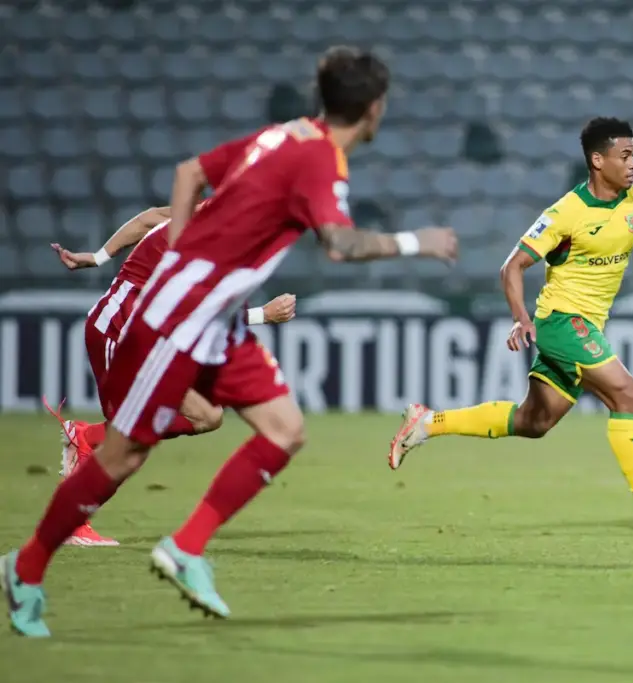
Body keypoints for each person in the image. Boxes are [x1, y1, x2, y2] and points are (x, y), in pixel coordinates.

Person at [2, 45, 458, 638]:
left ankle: (186, 547)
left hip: (218, 321)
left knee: (284, 430)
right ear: (375, 110)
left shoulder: (283, 135)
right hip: (177, 317)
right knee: (123, 456)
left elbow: (190, 173)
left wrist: (192, 251)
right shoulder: (320, 162)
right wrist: (414, 242)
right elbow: (340, 245)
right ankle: (26, 567)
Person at [389, 117, 633, 531]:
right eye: (624, 156)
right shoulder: (565, 213)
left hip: (586, 325)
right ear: (597, 160)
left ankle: (427, 423)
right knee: (625, 391)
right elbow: (512, 267)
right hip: (560, 321)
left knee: (534, 422)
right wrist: (522, 318)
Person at [47, 206, 297, 547]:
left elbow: (150, 218)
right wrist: (262, 316)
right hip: (119, 331)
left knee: (206, 415)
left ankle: (86, 437)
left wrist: (99, 256)